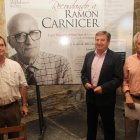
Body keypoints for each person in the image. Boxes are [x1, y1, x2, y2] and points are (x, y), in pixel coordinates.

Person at [7, 13, 73, 85]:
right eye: (20, 35)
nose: (29, 42)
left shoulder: (61, 64)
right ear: (10, 42)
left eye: (33, 33)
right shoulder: (4, 68)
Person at [81, 31, 123, 140]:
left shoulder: (115, 57)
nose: (99, 42)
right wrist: (85, 82)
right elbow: (84, 73)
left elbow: (118, 79)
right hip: (91, 97)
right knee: (91, 124)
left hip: (107, 98)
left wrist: (103, 88)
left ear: (108, 42)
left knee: (108, 126)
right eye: (97, 39)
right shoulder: (89, 55)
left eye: (102, 40)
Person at [0, 36, 28, 140]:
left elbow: (23, 86)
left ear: (5, 47)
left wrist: (24, 105)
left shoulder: (15, 65)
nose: (0, 48)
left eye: (1, 45)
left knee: (15, 136)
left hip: (13, 108)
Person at [122, 32, 140, 140]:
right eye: (139, 43)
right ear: (135, 45)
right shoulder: (129, 60)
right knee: (130, 134)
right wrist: (128, 96)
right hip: (133, 101)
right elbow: (125, 80)